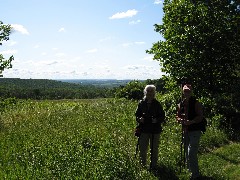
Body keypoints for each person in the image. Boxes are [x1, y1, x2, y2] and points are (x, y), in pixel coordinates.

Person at [176, 83, 204, 179]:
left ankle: (195, 174)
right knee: (187, 152)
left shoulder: (196, 103)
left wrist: (191, 122)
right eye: (185, 91)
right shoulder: (181, 104)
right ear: (183, 92)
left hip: (195, 131)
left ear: (191, 92)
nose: (186, 93)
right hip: (185, 130)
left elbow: (200, 116)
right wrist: (180, 120)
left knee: (191, 152)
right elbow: (178, 116)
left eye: (188, 91)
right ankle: (191, 171)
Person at [135, 85, 165, 169]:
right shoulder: (141, 103)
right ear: (145, 92)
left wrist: (156, 120)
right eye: (148, 91)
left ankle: (153, 166)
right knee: (142, 148)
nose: (150, 93)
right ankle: (142, 166)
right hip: (143, 129)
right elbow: (137, 115)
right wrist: (139, 119)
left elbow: (162, 116)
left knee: (154, 149)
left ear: (154, 93)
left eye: (151, 91)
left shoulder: (157, 104)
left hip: (155, 130)